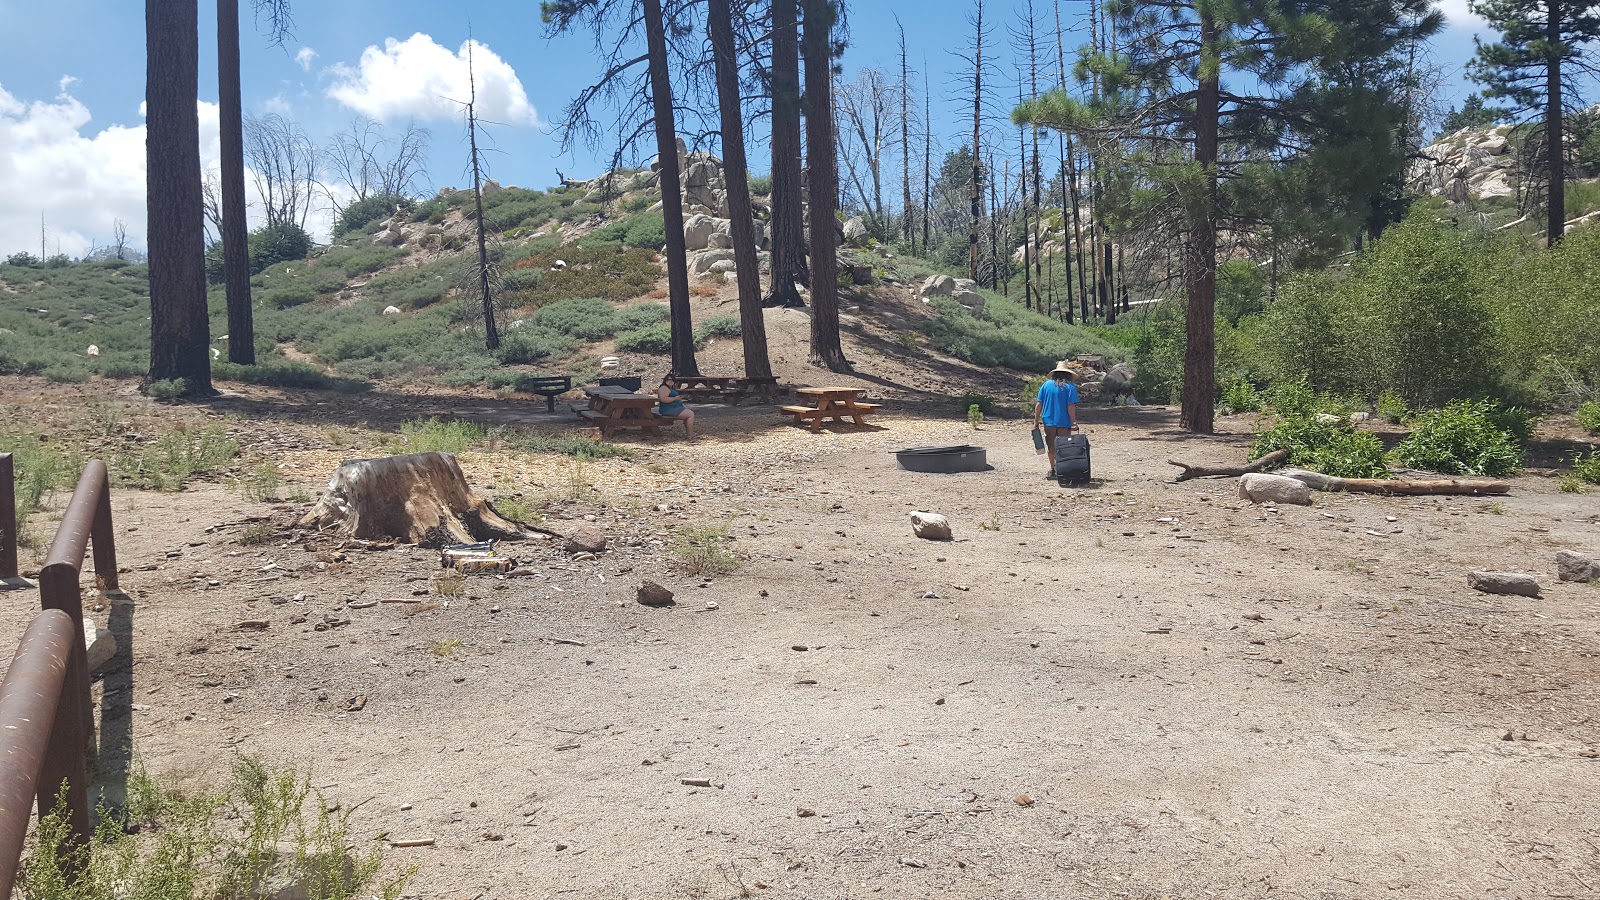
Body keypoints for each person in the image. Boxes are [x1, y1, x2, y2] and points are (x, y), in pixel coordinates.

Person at [1033, 360, 1080, 478]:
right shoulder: (1070, 387)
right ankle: (1062, 469)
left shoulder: (1046, 385)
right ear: (1068, 374)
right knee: (1063, 446)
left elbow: (1039, 404)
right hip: (1064, 422)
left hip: (1048, 421)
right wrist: (1073, 422)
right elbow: (1070, 406)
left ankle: (1052, 469)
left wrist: (1035, 421)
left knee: (1051, 446)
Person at [656, 373, 696, 438]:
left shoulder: (670, 388)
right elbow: (663, 399)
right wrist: (675, 398)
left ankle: (690, 433)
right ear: (665, 380)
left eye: (672, 380)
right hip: (668, 409)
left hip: (674, 408)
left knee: (688, 413)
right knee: (690, 414)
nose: (670, 381)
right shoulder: (664, 388)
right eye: (668, 379)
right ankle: (690, 434)